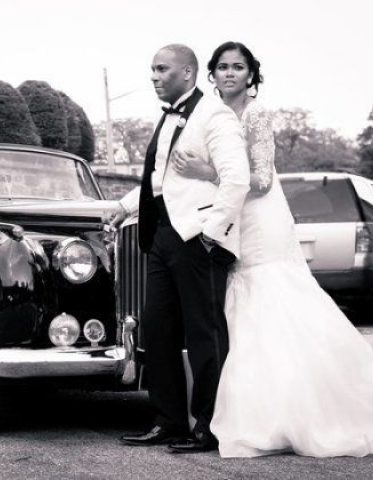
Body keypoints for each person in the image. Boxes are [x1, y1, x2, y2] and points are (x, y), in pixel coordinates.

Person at [167, 41, 373, 457]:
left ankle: (300, 409)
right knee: (237, 308)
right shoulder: (209, 115)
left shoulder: (256, 116)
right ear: (211, 74)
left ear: (251, 75)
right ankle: (252, 407)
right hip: (227, 216)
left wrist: (207, 171)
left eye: (238, 67)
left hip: (260, 219)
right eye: (222, 67)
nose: (230, 73)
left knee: (271, 295)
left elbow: (262, 181)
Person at [107, 43, 251, 452]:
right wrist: (124, 207)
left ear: (187, 73)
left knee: (205, 333)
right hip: (163, 235)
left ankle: (209, 426)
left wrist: (211, 233)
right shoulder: (169, 117)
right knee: (157, 328)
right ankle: (168, 421)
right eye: (152, 69)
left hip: (198, 238)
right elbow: (162, 180)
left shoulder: (215, 115)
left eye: (161, 69)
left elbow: (237, 179)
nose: (154, 76)